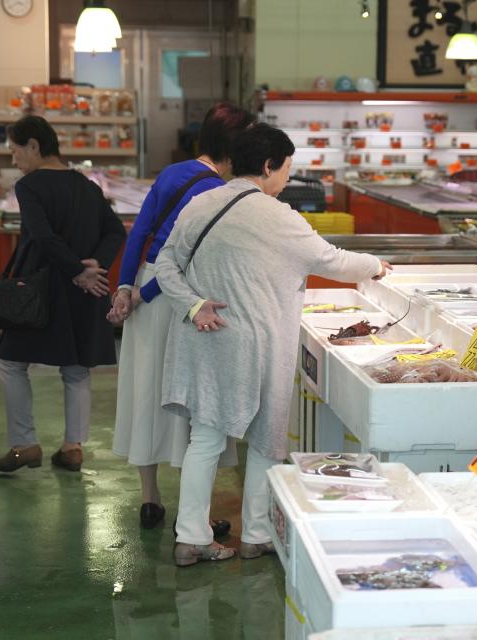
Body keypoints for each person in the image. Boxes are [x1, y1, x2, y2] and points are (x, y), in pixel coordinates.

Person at [155, 124, 390, 565]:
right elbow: (332, 261)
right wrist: (376, 266)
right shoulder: (278, 215)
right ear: (268, 166)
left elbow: (166, 263)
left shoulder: (202, 202)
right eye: (286, 168)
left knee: (204, 440)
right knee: (265, 440)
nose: (286, 178)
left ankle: (190, 537)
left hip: (204, 336)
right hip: (256, 344)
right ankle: (257, 535)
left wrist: (193, 305)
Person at [107, 103, 255, 533]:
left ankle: (150, 500)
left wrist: (126, 288)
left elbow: (140, 232)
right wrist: (145, 294)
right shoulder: (217, 192)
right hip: (181, 298)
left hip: (146, 289)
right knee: (193, 400)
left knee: (144, 390)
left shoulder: (173, 173)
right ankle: (196, 514)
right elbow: (181, 257)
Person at [0, 115, 126, 473]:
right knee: (77, 369)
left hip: (41, 292)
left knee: (9, 361)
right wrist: (95, 265)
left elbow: (43, 237)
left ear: (33, 146)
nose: (14, 160)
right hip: (85, 291)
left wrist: (79, 270)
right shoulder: (87, 185)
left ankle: (24, 445)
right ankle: (72, 447)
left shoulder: (30, 186)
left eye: (16, 151)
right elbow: (116, 232)